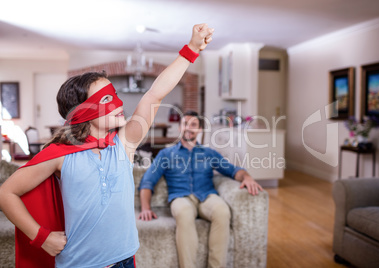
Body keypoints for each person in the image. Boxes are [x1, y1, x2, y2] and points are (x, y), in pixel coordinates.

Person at [0, 23, 214, 268]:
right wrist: (41, 237)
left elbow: (154, 94)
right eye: (106, 99)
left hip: (125, 261)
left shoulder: (123, 144)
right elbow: (6, 193)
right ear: (83, 112)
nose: (118, 102)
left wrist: (191, 49)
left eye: (114, 94)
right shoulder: (59, 155)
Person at [138, 110, 263, 268]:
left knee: (222, 211)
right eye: (185, 124)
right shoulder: (166, 154)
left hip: (207, 196)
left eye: (194, 125)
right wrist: (145, 208)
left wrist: (247, 177)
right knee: (184, 212)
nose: (189, 128)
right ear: (179, 127)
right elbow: (147, 181)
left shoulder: (209, 153)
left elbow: (232, 170)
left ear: (199, 130)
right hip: (180, 197)